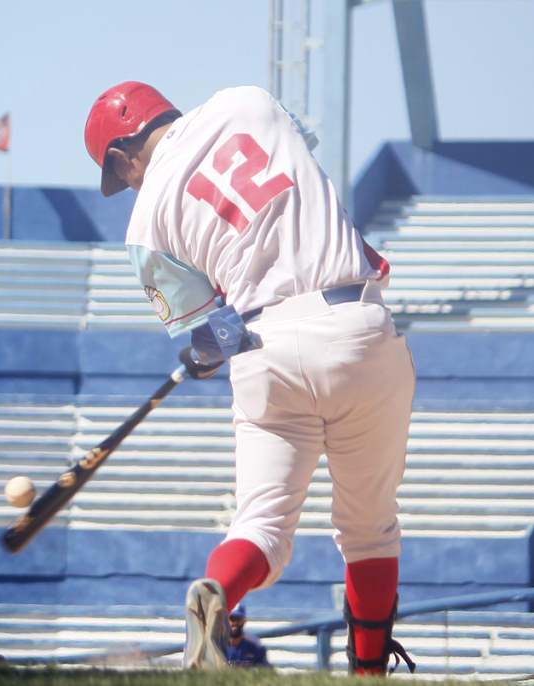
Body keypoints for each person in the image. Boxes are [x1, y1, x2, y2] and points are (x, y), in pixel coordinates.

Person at [83, 82, 416, 675]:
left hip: (267, 350)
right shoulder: (249, 100)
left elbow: (208, 339)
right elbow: (298, 178)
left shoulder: (143, 227)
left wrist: (211, 344)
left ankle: (217, 589)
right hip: (354, 319)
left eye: (118, 175)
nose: (125, 185)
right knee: (368, 530)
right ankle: (368, 673)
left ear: (121, 153)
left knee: (260, 524)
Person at [225, 605, 270, 669]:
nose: (235, 623)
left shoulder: (254, 645)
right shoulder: (219, 645)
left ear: (244, 621)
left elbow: (266, 670)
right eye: (232, 619)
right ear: (226, 621)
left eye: (238, 619)